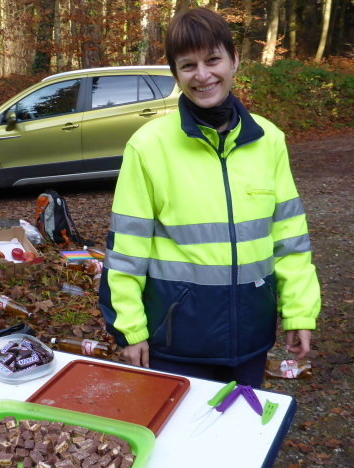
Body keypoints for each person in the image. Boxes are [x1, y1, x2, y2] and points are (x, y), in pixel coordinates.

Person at [98, 7, 321, 388]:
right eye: (188, 65)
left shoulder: (269, 140)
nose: (202, 75)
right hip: (175, 342)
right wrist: (130, 328)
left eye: (213, 60)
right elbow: (126, 250)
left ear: (234, 60)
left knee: (241, 425)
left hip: (251, 338)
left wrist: (299, 310)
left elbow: (289, 238)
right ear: (176, 74)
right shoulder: (148, 146)